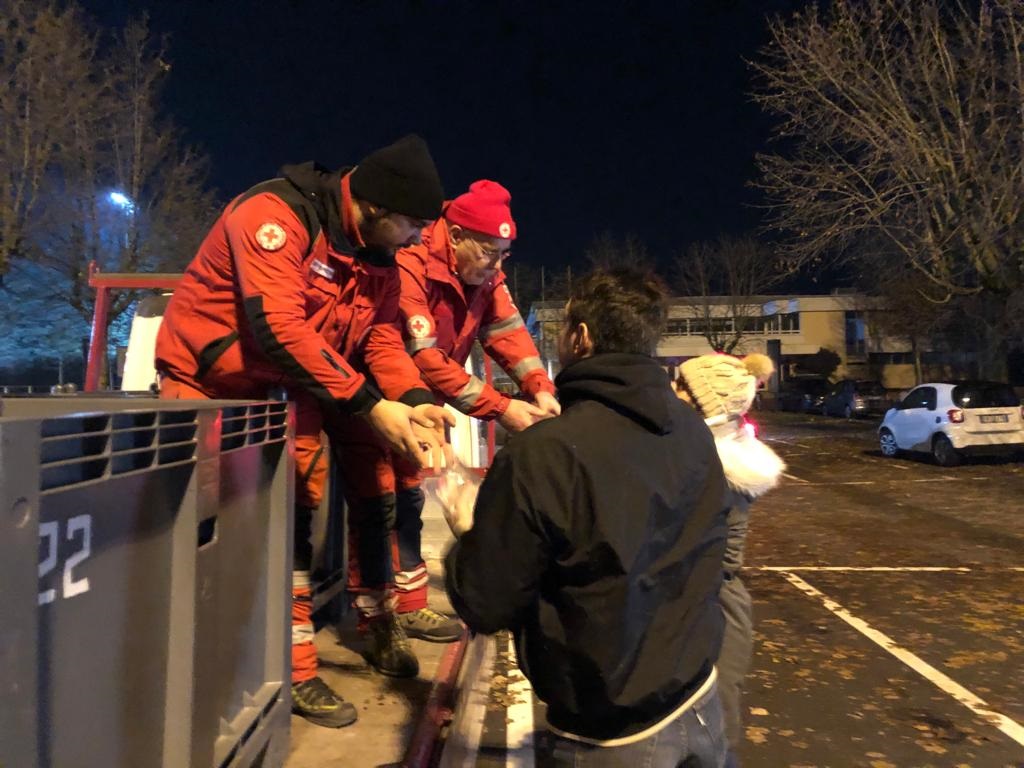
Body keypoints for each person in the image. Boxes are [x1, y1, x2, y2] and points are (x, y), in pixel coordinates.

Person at [154, 134, 454, 728]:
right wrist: (369, 404)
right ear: (375, 207)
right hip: (211, 385)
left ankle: (358, 627)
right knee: (220, 523)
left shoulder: (377, 254)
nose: (420, 239)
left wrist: (415, 400)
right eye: (414, 225)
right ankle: (249, 666)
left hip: (292, 383)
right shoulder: (273, 215)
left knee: (336, 492)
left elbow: (380, 338)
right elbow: (279, 327)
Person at [444, 267, 734, 767]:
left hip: (611, 737)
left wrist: (469, 529)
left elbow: (485, 602)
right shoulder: (691, 429)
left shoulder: (545, 453)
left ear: (581, 337)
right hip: (701, 702)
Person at [341, 179, 559, 654]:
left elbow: (508, 333)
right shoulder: (412, 259)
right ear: (456, 236)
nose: (497, 265)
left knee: (409, 496)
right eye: (489, 252)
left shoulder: (484, 272)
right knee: (376, 500)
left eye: (504, 254)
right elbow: (422, 354)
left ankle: (410, 602)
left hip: (419, 400)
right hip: (379, 396)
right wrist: (501, 408)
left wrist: (540, 388)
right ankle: (374, 617)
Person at [675, 353, 784, 752]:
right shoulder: (707, 457)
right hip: (704, 602)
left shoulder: (713, 469)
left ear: (707, 406)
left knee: (712, 729)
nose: (673, 389)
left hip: (711, 607)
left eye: (683, 386)